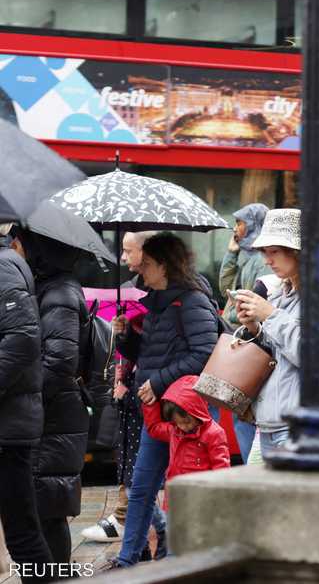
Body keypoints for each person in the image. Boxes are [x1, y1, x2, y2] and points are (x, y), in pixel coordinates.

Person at [107, 233, 219, 568]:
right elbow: (149, 353)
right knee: (141, 487)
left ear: (164, 265)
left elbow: (204, 352)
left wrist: (157, 381)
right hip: (156, 411)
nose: (139, 270)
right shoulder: (157, 302)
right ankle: (127, 560)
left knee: (183, 490)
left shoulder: (192, 301)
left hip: (185, 414)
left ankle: (183, 560)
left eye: (146, 264)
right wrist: (125, 337)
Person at [9, 228, 89, 566]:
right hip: (51, 415)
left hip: (53, 417)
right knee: (42, 507)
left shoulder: (59, 293)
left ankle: (56, 576)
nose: (12, 249)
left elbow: (58, 362)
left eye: (17, 243)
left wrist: (26, 395)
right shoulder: (48, 287)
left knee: (47, 510)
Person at [82, 231, 167, 545]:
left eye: (128, 250)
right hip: (137, 392)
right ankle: (136, 534)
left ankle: (137, 525)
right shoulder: (136, 291)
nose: (122, 258)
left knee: (142, 474)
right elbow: (139, 350)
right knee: (135, 469)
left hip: (152, 394)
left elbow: (174, 351)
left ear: (147, 253)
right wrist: (124, 335)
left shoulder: (168, 297)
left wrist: (147, 382)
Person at [0, 224, 54, 581]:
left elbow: (22, 337)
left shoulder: (3, 265)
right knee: (22, 528)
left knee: (22, 531)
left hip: (8, 426)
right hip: (10, 420)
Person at [230, 209, 302, 455]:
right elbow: (276, 355)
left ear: (297, 252)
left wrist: (270, 315)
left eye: (274, 252)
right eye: (264, 252)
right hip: (267, 423)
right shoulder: (281, 294)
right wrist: (254, 328)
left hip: (296, 427)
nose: (267, 261)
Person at [217, 203, 271, 460]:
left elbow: (256, 300)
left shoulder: (261, 260)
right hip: (238, 333)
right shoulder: (246, 254)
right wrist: (231, 253)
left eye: (241, 223)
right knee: (240, 410)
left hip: (249, 338)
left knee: (244, 412)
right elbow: (224, 286)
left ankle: (251, 466)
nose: (236, 228)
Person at [141, 375, 230, 513]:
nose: (183, 427)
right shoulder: (174, 430)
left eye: (186, 422)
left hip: (202, 498)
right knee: (173, 525)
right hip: (175, 496)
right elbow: (154, 428)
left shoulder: (213, 433)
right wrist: (149, 404)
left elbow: (221, 469)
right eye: (178, 423)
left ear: (197, 411)